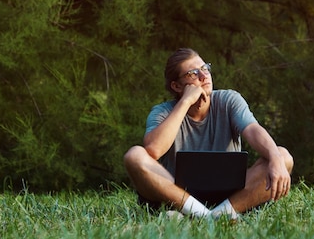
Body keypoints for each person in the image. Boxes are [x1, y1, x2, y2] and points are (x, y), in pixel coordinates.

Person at [123, 48, 294, 219]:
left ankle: (219, 213)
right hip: (178, 196)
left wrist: (275, 158)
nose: (204, 76)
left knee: (283, 156)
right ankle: (206, 215)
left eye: (205, 68)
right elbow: (153, 149)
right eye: (193, 73)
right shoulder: (162, 112)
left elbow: (253, 130)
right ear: (176, 86)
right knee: (134, 155)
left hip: (231, 196)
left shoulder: (229, 100)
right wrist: (185, 101)